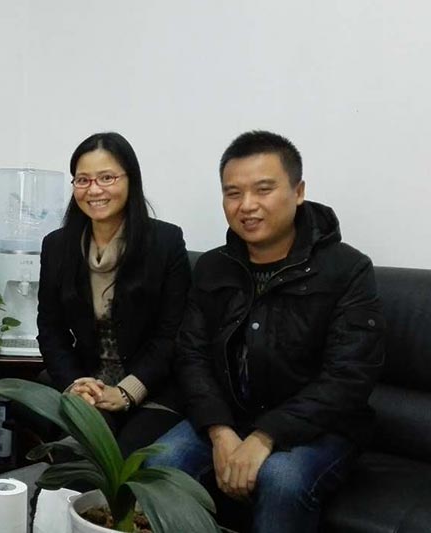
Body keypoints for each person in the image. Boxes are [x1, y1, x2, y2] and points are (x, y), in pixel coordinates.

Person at [147, 130, 384, 532]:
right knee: (160, 464)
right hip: (228, 416)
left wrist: (265, 436)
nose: (247, 205)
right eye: (233, 193)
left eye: (263, 189)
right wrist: (220, 432)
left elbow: (349, 376)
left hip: (319, 427)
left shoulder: (348, 270)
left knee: (282, 479)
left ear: (298, 191)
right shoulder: (213, 268)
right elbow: (191, 356)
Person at [37, 131, 190, 456]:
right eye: (83, 180)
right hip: (91, 387)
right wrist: (76, 384)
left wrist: (126, 391)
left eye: (106, 178)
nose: (94, 190)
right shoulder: (57, 246)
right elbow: (51, 331)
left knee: (123, 457)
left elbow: (172, 335)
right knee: (79, 454)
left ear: (130, 180)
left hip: (154, 389)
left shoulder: (165, 243)